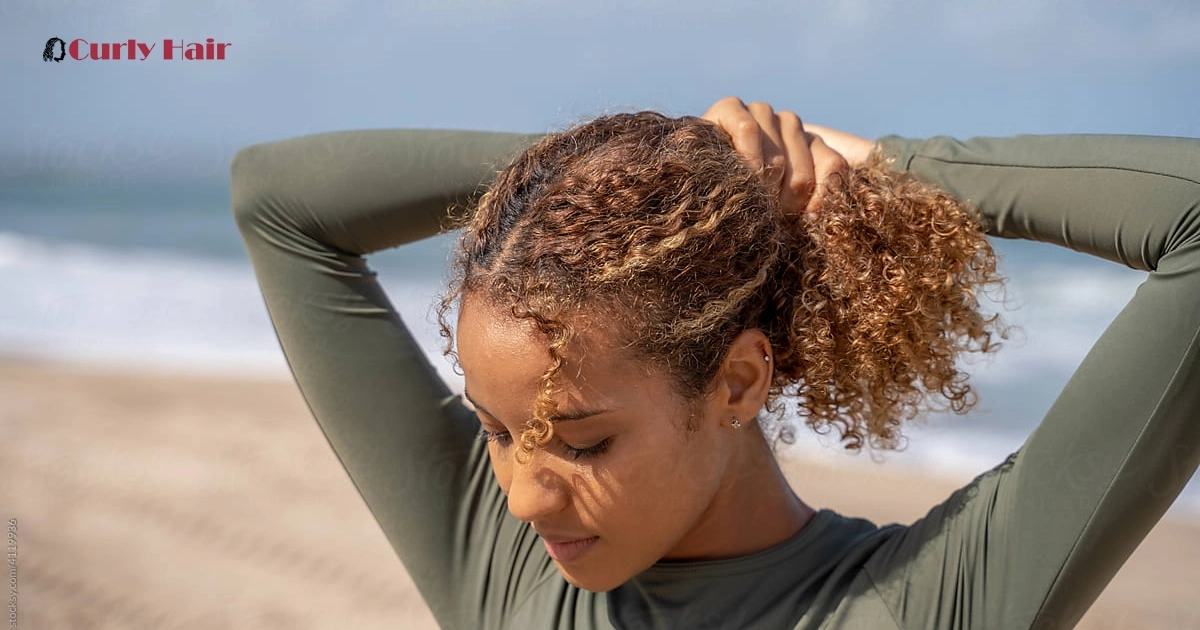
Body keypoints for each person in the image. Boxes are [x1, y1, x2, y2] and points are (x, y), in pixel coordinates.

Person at [231, 97, 1200, 630]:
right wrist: (635, 173)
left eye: (586, 443)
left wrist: (894, 167)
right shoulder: (506, 574)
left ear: (738, 382)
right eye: (493, 430)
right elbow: (275, 198)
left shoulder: (928, 607)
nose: (524, 498)